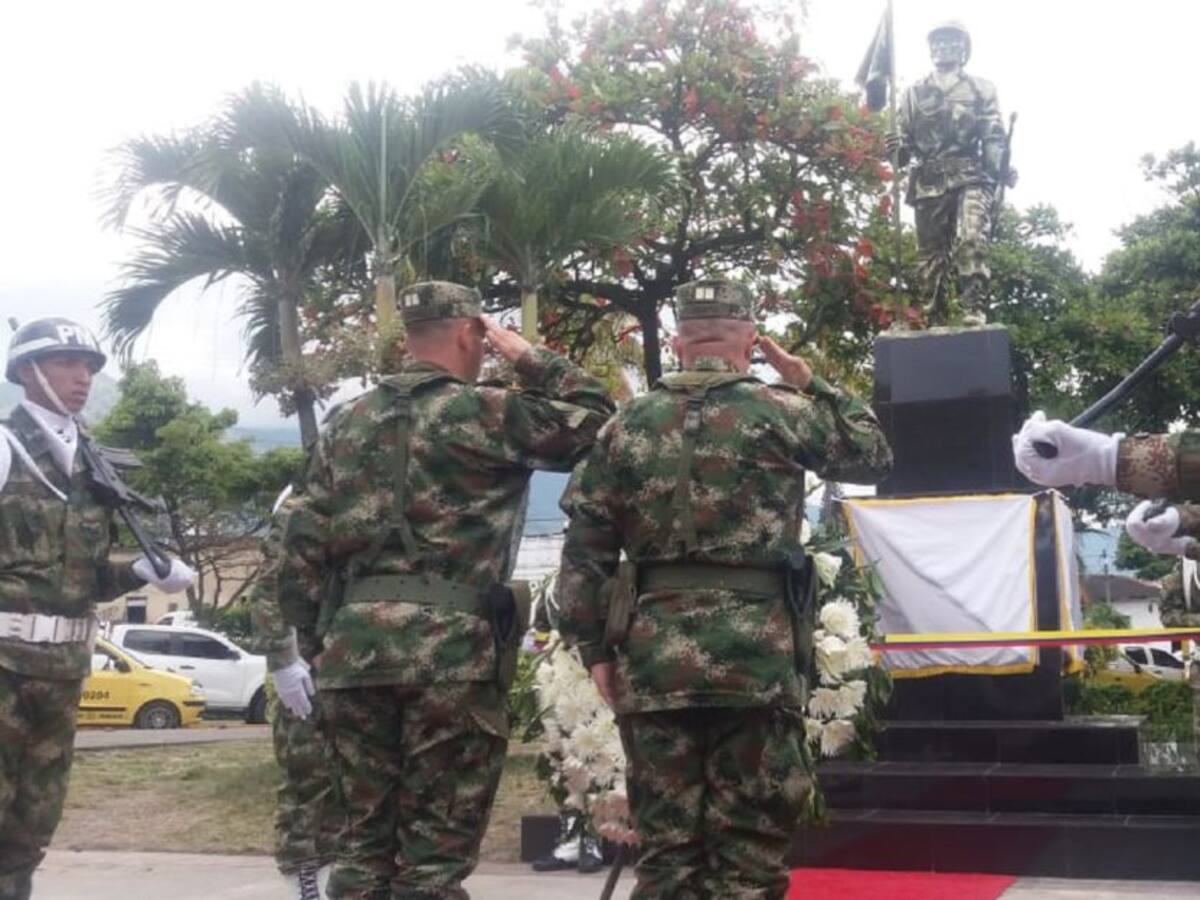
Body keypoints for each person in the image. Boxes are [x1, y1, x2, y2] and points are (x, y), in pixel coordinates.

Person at [274, 282, 614, 900]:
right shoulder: (489, 412)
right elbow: (600, 423)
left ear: (408, 335)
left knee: (362, 853)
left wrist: (314, 642)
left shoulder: (345, 421)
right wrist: (528, 356)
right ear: (469, 334)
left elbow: (300, 540)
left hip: (353, 656)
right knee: (431, 865)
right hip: (452, 657)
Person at [557, 279, 893, 899]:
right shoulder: (783, 409)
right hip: (755, 663)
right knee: (749, 855)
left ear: (681, 338)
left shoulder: (624, 426)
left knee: (667, 854)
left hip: (654, 662)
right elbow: (872, 453)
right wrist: (810, 380)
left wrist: (595, 650)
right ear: (750, 338)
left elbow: (585, 552)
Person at [0, 318, 194, 900]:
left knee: (33, 822)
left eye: (88, 366)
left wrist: (138, 571)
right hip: (3, 663)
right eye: (66, 363)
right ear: (27, 371)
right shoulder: (6, 447)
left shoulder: (92, 463)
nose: (82, 377)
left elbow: (83, 574)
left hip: (62, 669)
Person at [887, 20, 1015, 326]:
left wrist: (1000, 169)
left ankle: (974, 307)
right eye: (939, 42)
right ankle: (934, 318)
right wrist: (895, 148)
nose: (945, 47)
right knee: (931, 259)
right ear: (931, 49)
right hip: (929, 181)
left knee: (972, 236)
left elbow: (993, 135)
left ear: (963, 49)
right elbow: (902, 149)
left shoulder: (980, 88)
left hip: (970, 174)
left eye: (952, 42)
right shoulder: (913, 93)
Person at [248, 482, 339, 900]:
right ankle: (304, 889)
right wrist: (284, 661)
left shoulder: (368, 492)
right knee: (308, 783)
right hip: (307, 673)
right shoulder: (301, 502)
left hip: (351, 670)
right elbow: (268, 590)